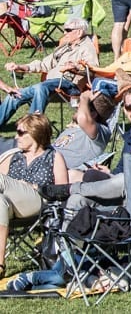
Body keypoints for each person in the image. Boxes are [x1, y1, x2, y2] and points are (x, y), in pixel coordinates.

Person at [0, 16, 98, 128]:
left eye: (68, 30)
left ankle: (33, 128)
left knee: (39, 88)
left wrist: (76, 67)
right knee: (14, 96)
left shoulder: (87, 47)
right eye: (64, 29)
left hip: (68, 85)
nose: (64, 33)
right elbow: (44, 64)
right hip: (49, 85)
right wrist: (20, 66)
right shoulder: (65, 47)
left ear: (79, 32)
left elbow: (92, 69)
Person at [0, 113, 68, 273]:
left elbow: (63, 190)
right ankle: (0, 264)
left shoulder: (53, 157)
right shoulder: (14, 157)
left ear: (36, 133)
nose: (16, 137)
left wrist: (32, 186)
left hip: (39, 202)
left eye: (21, 132)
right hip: (12, 206)